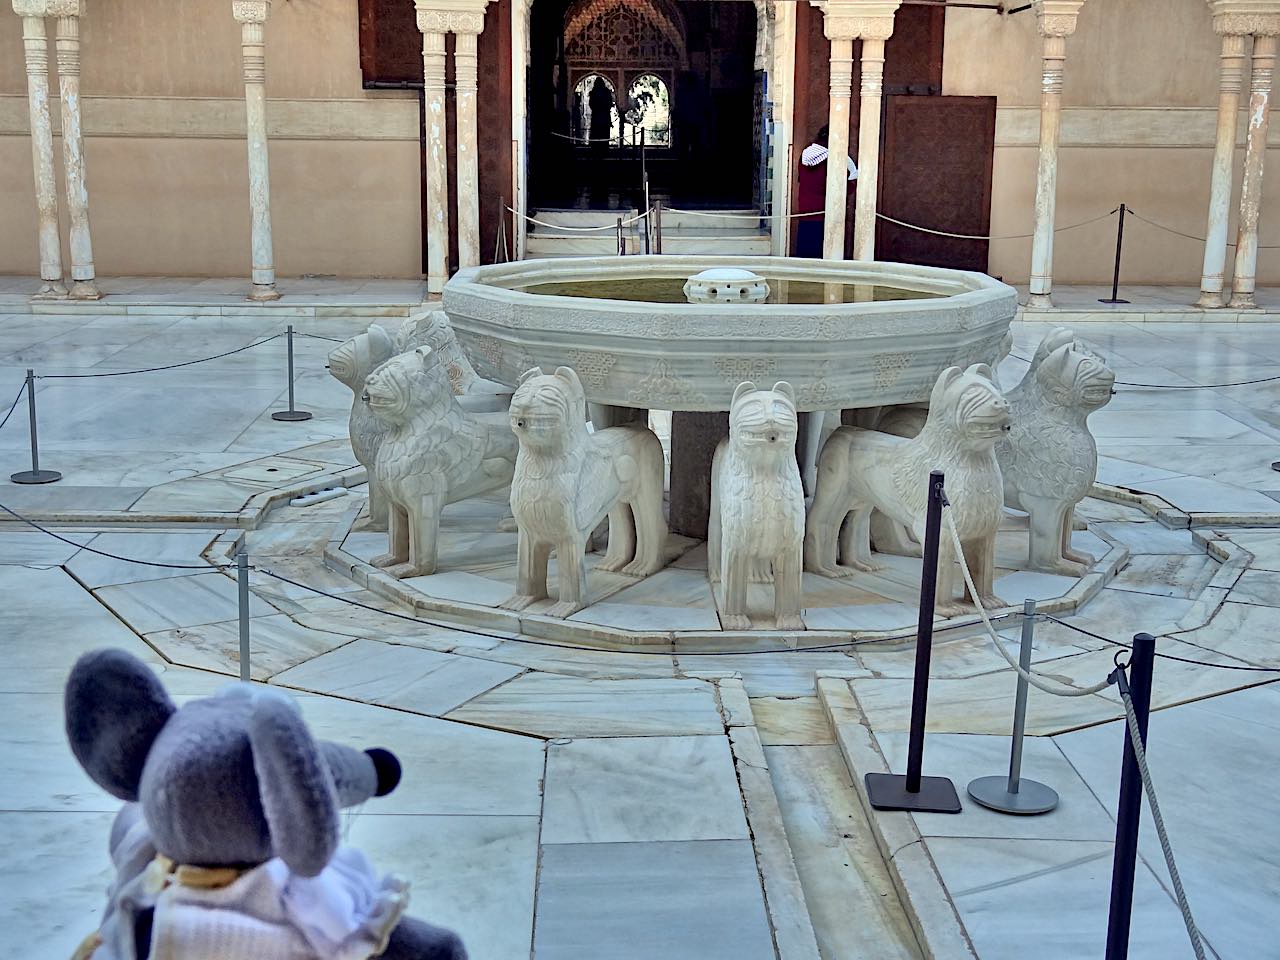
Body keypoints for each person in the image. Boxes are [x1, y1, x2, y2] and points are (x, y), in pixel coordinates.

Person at [796, 125, 857, 258]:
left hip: (805, 212)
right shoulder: (831, 159)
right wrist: (852, 182)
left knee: (805, 256)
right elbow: (837, 187)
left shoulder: (806, 154)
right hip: (824, 214)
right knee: (823, 258)